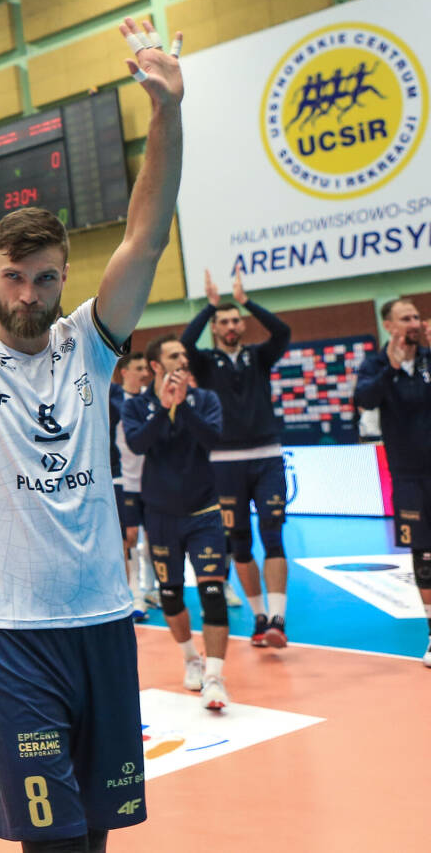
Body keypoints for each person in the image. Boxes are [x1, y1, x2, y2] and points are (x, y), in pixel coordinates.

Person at [0, 14, 184, 850]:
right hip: (12, 633)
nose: (28, 293)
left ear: (64, 277)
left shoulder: (89, 343)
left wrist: (166, 112)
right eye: (14, 276)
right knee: (51, 836)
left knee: (97, 832)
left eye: (45, 278)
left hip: (103, 621)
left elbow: (147, 234)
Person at [180, 267, 292, 647]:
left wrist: (247, 302)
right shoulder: (205, 363)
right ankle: (260, 619)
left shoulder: (259, 356)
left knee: (273, 536)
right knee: (240, 543)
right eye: (223, 321)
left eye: (235, 320)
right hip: (224, 463)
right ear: (215, 328)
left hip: (267, 457)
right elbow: (185, 342)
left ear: (242, 325)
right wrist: (209, 307)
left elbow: (282, 332)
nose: (230, 326)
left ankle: (278, 619)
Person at [123, 337, 231, 709]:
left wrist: (182, 406)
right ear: (156, 366)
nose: (183, 359)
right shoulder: (136, 405)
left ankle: (214, 677)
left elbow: (213, 439)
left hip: (204, 512)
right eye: (174, 356)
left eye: (184, 354)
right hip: (160, 515)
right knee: (170, 595)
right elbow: (137, 445)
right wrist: (163, 409)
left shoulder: (205, 399)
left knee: (213, 593)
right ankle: (190, 658)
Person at [353, 297, 431, 667]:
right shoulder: (376, 364)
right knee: (424, 555)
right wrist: (393, 368)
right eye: (406, 318)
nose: (414, 322)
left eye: (416, 316)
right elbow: (364, 398)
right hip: (408, 475)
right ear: (389, 326)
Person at [109, 353, 149, 619]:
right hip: (122, 477)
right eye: (138, 368)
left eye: (146, 368)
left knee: (154, 538)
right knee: (128, 537)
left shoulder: (149, 400)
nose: (144, 373)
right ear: (124, 371)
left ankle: (151, 590)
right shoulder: (114, 396)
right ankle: (134, 593)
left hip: (152, 478)